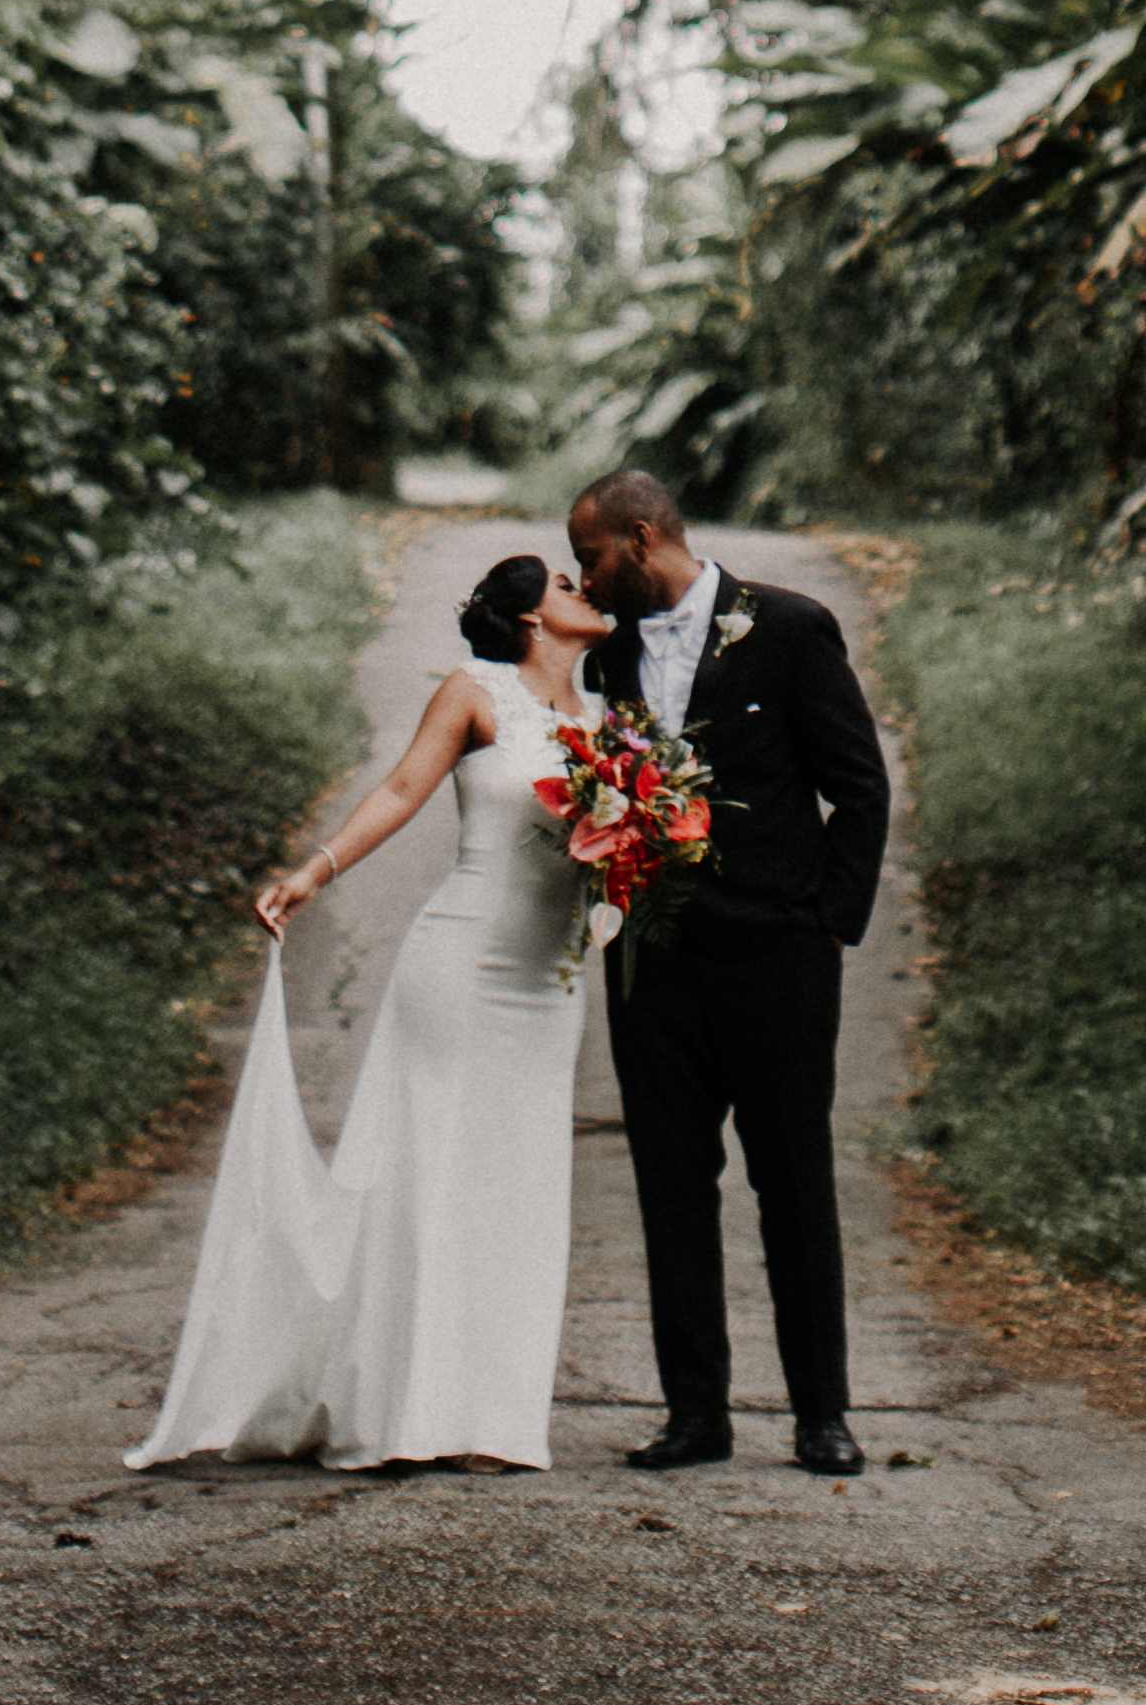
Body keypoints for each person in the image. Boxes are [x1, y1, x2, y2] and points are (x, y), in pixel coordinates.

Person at [126, 547, 614, 1471]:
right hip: (463, 961)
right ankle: (408, 1407)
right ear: (531, 621)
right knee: (432, 1171)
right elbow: (400, 788)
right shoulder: (477, 692)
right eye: (563, 583)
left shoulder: (611, 722)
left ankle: (489, 1420)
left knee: (519, 1184)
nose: (585, 588)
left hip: (550, 981)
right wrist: (312, 872)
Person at [568, 465, 891, 1478]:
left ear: (639, 538)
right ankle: (695, 1412)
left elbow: (860, 787)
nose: (584, 579)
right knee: (672, 1184)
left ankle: (821, 1414)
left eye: (589, 557)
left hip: (779, 961)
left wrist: (826, 923)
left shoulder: (789, 628)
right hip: (654, 969)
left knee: (793, 1181)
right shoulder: (606, 657)